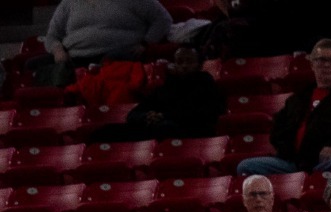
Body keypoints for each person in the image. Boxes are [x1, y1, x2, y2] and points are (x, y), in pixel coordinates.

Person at [238, 39, 331, 176]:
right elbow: (277, 132)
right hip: (293, 163)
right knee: (246, 167)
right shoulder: (298, 99)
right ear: (312, 64)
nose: (326, 65)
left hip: (329, 162)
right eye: (321, 60)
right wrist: (289, 150)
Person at [95, 45, 223, 142]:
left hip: (189, 132)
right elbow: (133, 114)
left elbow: (202, 115)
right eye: (179, 62)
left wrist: (164, 116)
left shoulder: (208, 86)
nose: (184, 66)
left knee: (166, 128)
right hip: (157, 128)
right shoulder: (165, 87)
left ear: (199, 65)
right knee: (105, 131)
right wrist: (146, 116)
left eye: (189, 61)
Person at [34, 0, 170, 87]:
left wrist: (146, 43)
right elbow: (52, 36)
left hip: (117, 56)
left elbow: (163, 19)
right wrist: (58, 50)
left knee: (116, 60)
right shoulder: (68, 3)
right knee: (32, 65)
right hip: (74, 57)